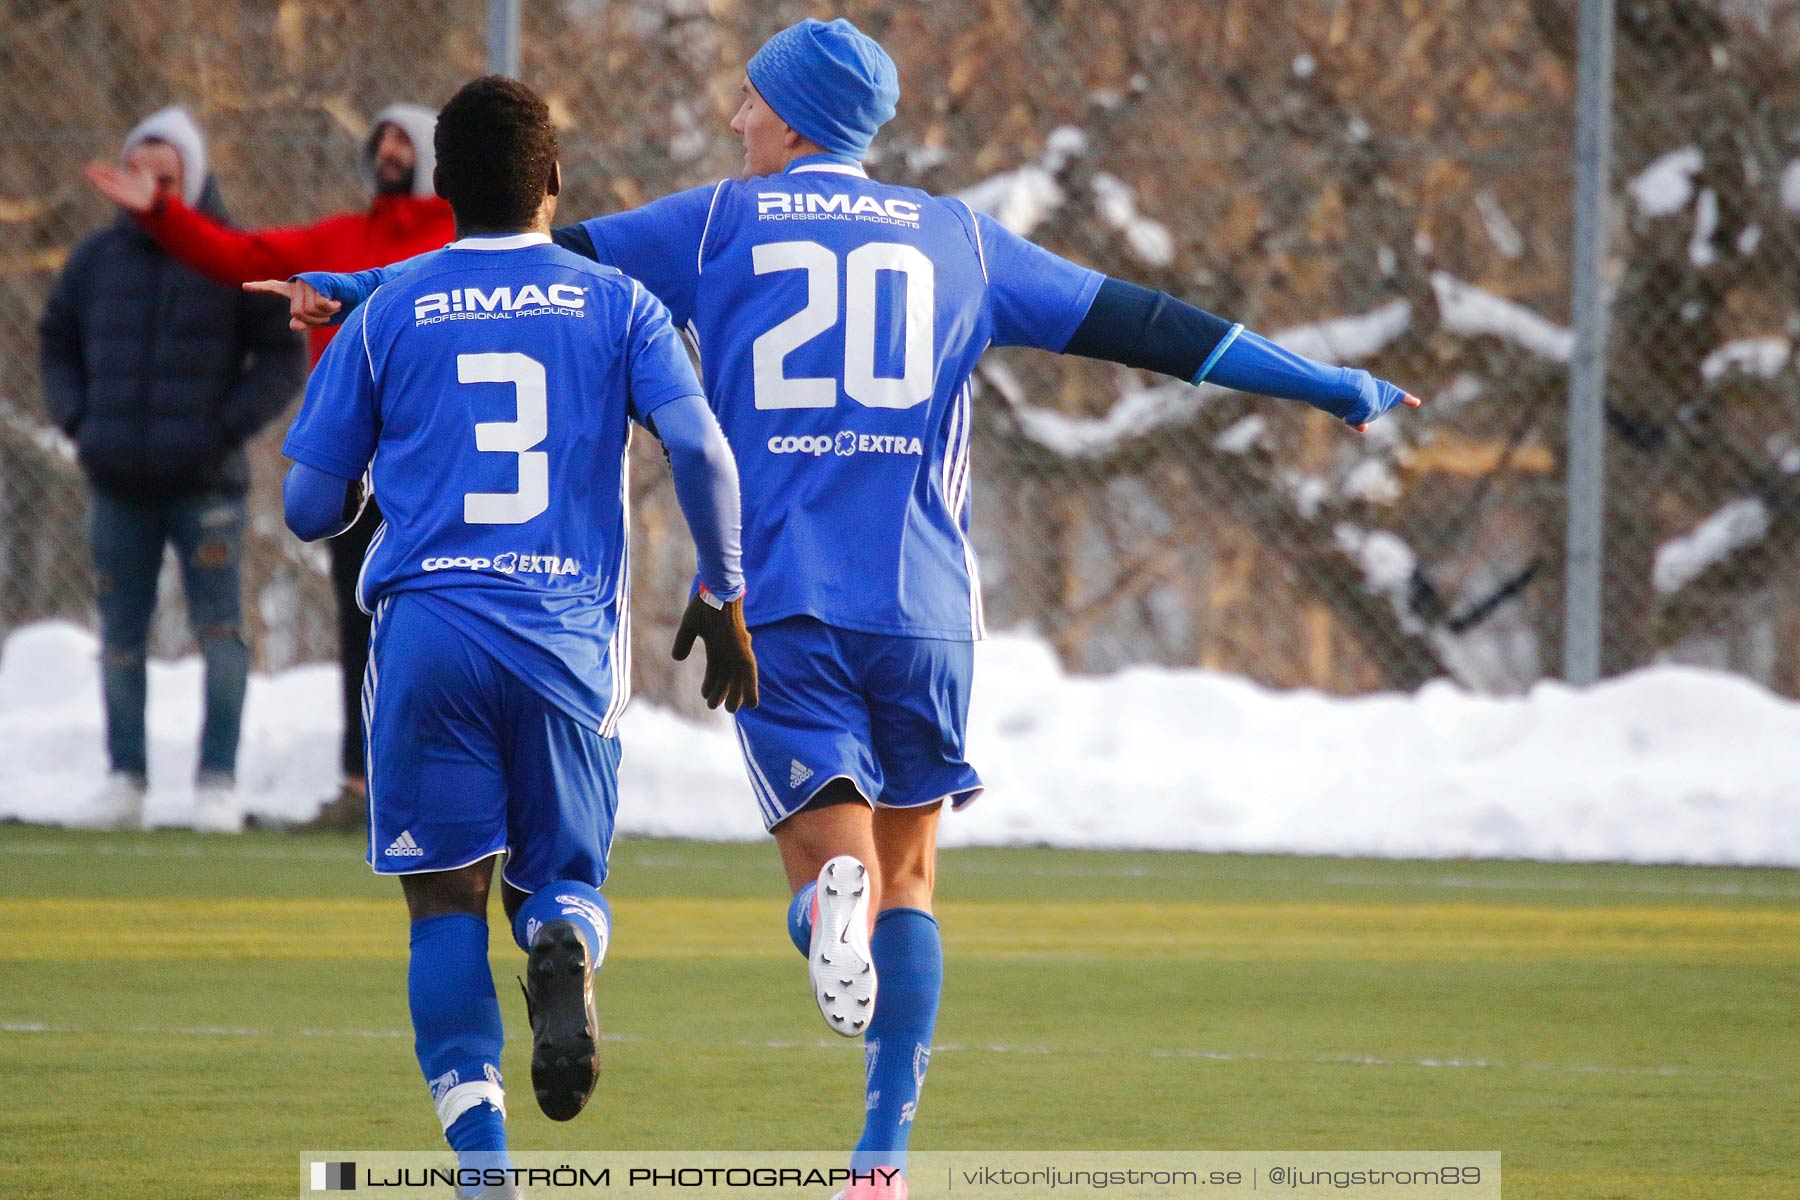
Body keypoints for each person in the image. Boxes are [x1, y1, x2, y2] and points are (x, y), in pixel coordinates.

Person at [273, 19, 1420, 1196]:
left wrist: (348, 293)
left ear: (796, 118)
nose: (734, 121)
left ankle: (814, 916)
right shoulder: (960, 239)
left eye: (751, 102)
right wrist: (1323, 383)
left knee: (827, 865)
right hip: (924, 601)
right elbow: (1156, 327)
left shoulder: (717, 222)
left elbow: (528, 260)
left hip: (773, 603)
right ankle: (879, 1161)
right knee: (911, 875)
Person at [274, 76, 755, 1194]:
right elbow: (706, 453)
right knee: (563, 881)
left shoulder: (387, 308)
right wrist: (724, 592)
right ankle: (569, 944)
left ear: (440, 190)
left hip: (430, 635)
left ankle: (484, 1172)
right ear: (554, 182)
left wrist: (361, 495)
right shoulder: (619, 304)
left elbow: (307, 507)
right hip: (562, 638)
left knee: (445, 902)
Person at [85, 103, 455, 830]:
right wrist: (165, 213)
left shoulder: (458, 242)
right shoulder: (340, 238)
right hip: (358, 462)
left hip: (438, 464)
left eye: (403, 140)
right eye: (378, 137)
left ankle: (441, 783)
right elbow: (240, 256)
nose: (386, 151)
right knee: (361, 619)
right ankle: (359, 784)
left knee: (439, 624)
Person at [40, 105, 305, 834]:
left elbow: (281, 356)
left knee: (219, 630)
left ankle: (216, 780)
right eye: (141, 172)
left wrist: (223, 430)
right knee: (120, 634)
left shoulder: (229, 254)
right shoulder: (95, 261)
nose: (153, 185)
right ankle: (125, 777)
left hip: (206, 483)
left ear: (193, 177)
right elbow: (56, 338)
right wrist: (80, 421)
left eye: (168, 174)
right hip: (117, 478)